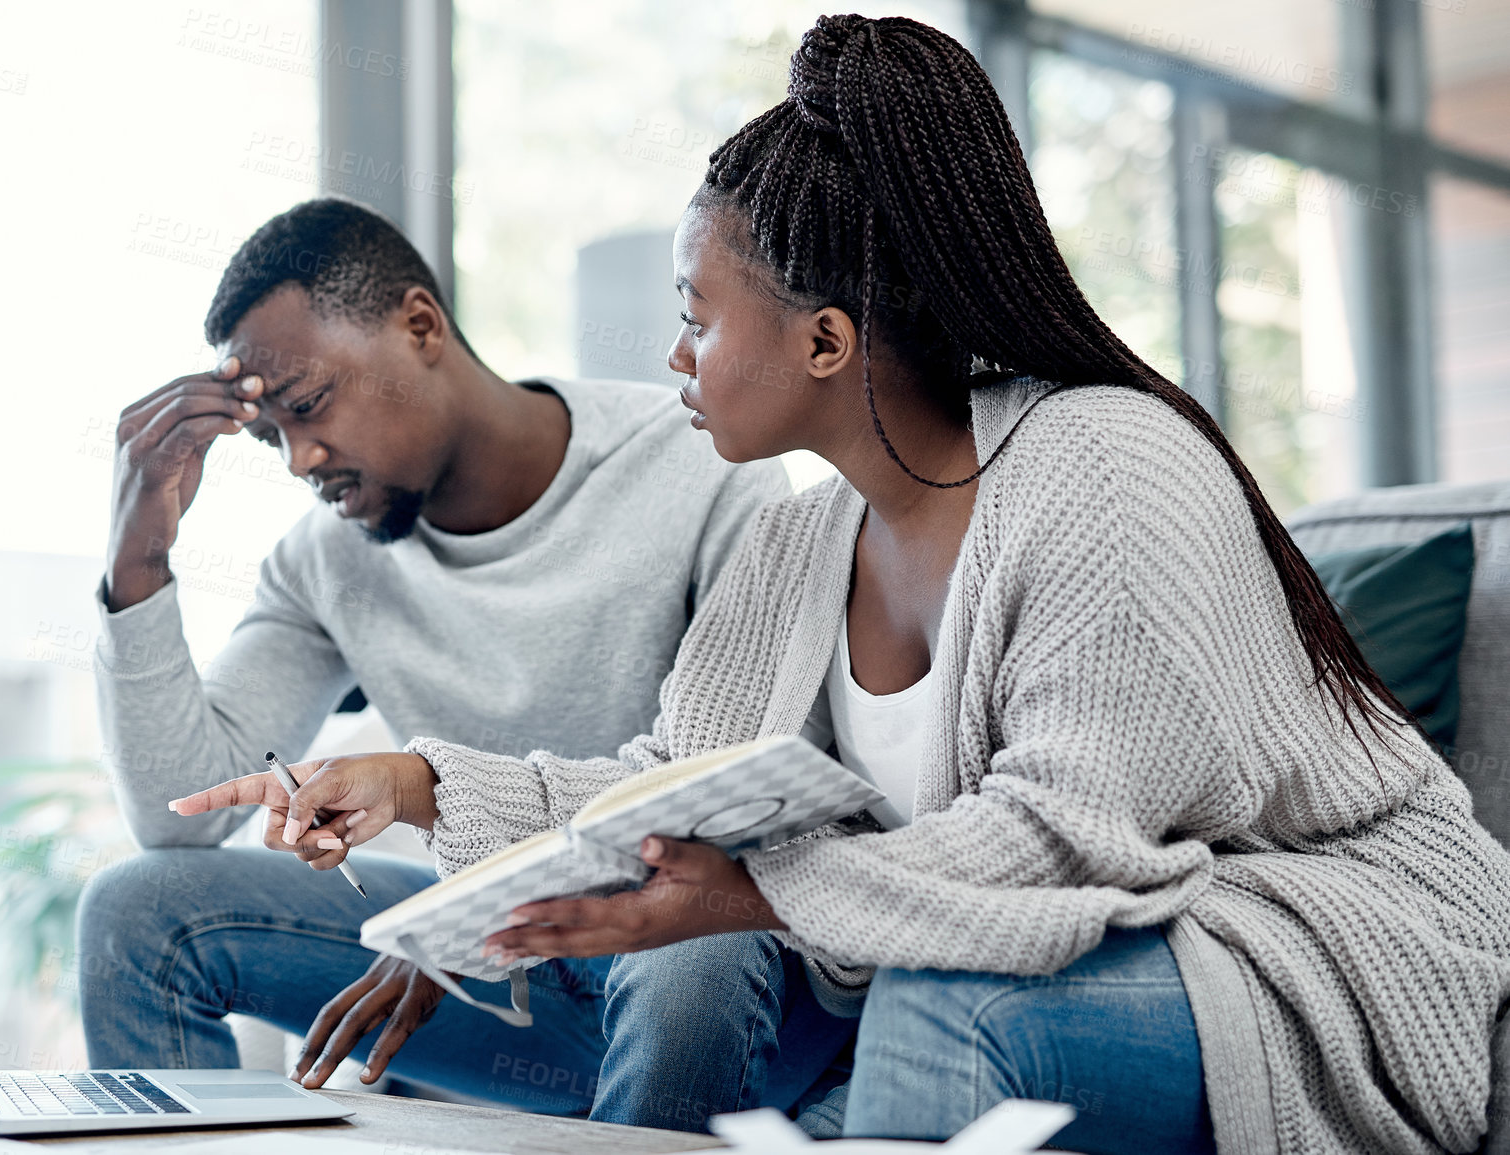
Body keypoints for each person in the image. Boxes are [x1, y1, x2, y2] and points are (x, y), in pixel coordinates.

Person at [174, 15, 1510, 1155]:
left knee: (940, 999)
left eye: (697, 315)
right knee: (815, 968)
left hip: (1291, 937)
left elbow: (1060, 837)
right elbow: (666, 777)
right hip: (1100, 925)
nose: (673, 352)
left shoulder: (1104, 464)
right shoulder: (799, 544)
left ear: (823, 339)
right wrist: (416, 783)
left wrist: (752, 895)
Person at [75, 197, 858, 1133]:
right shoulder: (325, 558)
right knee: (137, 909)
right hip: (502, 976)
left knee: (689, 932)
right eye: (270, 434)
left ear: (419, 326)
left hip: (704, 974)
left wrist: (464, 912)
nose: (297, 459)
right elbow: (182, 811)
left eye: (309, 406)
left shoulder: (696, 468)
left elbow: (728, 807)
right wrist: (138, 561)